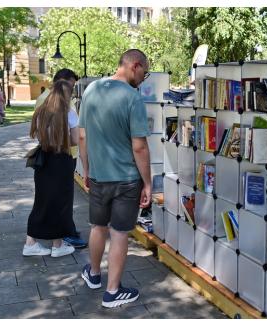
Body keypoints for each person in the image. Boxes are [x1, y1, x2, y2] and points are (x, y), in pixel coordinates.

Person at [78, 49, 151, 308]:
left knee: (97, 227)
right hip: (127, 179)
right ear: (135, 66)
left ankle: (94, 274)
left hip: (98, 175)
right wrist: (148, 183)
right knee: (119, 233)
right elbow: (139, 146)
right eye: (145, 72)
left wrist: (86, 170)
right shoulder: (133, 98)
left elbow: (83, 136)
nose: (144, 78)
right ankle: (112, 292)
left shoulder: (91, 91)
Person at [23, 79, 79, 258]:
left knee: (42, 200)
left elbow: (38, 135)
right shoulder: (69, 112)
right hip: (61, 159)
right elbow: (76, 139)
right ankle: (58, 244)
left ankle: (30, 242)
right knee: (61, 202)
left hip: (43, 159)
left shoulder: (41, 111)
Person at [34, 68, 87, 249]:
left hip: (48, 153)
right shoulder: (59, 102)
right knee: (61, 199)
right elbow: (75, 136)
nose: (72, 91)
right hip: (63, 154)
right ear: (62, 83)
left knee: (49, 197)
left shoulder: (45, 99)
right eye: (71, 86)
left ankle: (59, 236)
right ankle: (65, 236)